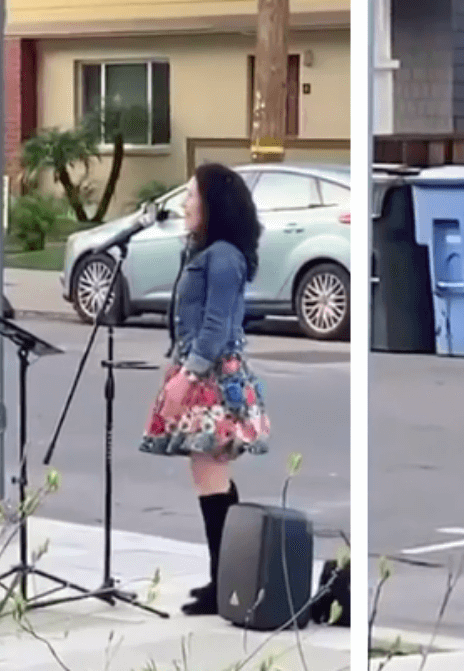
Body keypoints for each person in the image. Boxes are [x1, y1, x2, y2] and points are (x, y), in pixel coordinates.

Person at [139, 162, 271, 616]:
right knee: (209, 475)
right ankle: (223, 578)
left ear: (213, 204)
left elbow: (215, 327)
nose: (184, 203)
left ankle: (225, 583)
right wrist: (172, 362)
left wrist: (187, 376)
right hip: (200, 371)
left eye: (192, 195)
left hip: (215, 379)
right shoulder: (205, 253)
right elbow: (190, 320)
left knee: (211, 475)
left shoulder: (224, 258)